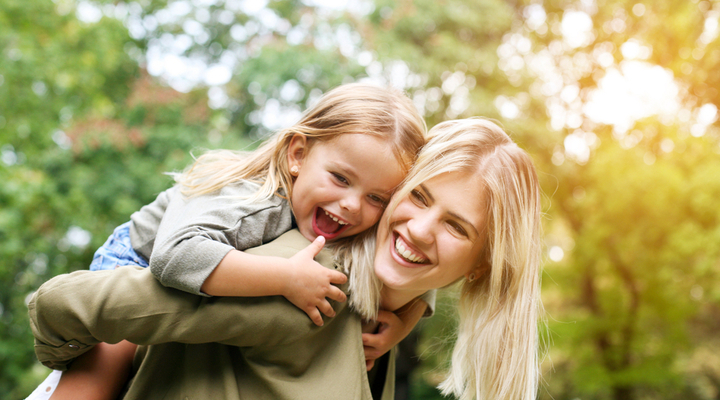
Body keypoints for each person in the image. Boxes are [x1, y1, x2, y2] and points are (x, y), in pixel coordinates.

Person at [28, 118, 543, 400]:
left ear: (481, 265)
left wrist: (408, 317)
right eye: (421, 198)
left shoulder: (379, 319)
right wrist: (68, 354)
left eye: (456, 227)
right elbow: (67, 301)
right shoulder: (303, 284)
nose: (420, 229)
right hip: (146, 252)